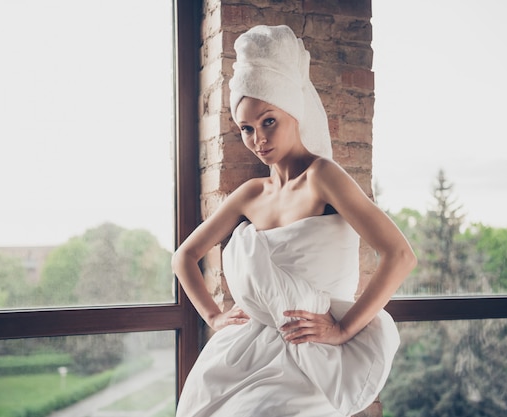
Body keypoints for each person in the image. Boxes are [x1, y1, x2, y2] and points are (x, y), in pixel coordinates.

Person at [171, 25, 417, 417]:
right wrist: (214, 317)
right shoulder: (251, 194)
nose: (258, 140)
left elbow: (400, 255)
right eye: (247, 129)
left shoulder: (323, 177)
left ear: (293, 111)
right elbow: (184, 256)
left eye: (269, 121)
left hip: (310, 352)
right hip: (246, 349)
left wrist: (342, 330)